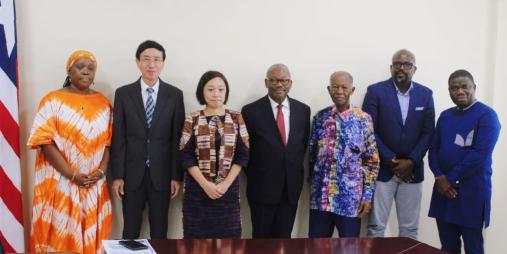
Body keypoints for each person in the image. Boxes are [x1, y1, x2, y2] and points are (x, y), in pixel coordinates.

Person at [27, 50, 112, 253]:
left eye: (91, 68)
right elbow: (45, 142)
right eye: (80, 66)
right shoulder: (52, 100)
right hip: (61, 184)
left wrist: (100, 173)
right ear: (69, 70)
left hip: (93, 185)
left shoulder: (103, 103)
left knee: (93, 240)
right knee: (59, 241)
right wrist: (72, 175)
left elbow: (109, 143)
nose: (86, 71)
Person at [110, 40, 185, 239]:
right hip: (131, 175)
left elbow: (177, 138)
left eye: (156, 60)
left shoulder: (175, 95)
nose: (151, 65)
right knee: (130, 231)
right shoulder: (123, 93)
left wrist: (176, 176)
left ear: (163, 63)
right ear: (137, 62)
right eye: (146, 59)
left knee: (160, 231)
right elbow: (118, 137)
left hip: (162, 176)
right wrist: (117, 176)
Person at [362, 49, 435, 239]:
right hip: (383, 170)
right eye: (397, 64)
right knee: (376, 227)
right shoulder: (375, 91)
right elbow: (369, 129)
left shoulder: (426, 95)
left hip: (412, 171)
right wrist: (391, 159)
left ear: (414, 69)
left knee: (409, 229)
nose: (401, 68)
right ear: (391, 67)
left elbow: (428, 133)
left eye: (407, 64)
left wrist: (411, 161)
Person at [428, 70, 500, 254]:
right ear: (449, 91)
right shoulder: (445, 116)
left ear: (474, 88)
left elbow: (479, 155)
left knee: (473, 248)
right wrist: (438, 176)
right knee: (447, 247)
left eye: (464, 87)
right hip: (443, 191)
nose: (459, 91)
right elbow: (433, 149)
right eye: (454, 88)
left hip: (472, 192)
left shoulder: (487, 116)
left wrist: (448, 179)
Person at [241, 64, 311, 238]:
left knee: (284, 239)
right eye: (274, 80)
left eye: (284, 80)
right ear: (266, 82)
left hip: (290, 189)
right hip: (261, 189)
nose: (279, 84)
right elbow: (244, 151)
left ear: (290, 83)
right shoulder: (250, 111)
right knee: (261, 241)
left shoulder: (303, 110)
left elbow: (302, 146)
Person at [179, 71, 249, 239]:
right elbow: (185, 155)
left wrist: (225, 185)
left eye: (220, 89)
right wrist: (205, 184)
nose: (216, 94)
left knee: (229, 243)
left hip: (228, 193)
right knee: (195, 243)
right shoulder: (193, 119)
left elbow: (243, 154)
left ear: (226, 92)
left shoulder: (236, 118)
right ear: (202, 92)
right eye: (210, 89)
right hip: (197, 192)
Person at [308, 71, 379, 237]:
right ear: (329, 89)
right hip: (321, 200)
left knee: (348, 248)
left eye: (344, 87)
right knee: (317, 248)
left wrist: (367, 196)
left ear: (352, 90)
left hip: (349, 201)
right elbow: (312, 155)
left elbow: (372, 161)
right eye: (335, 87)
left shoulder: (363, 119)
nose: (339, 91)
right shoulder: (320, 117)